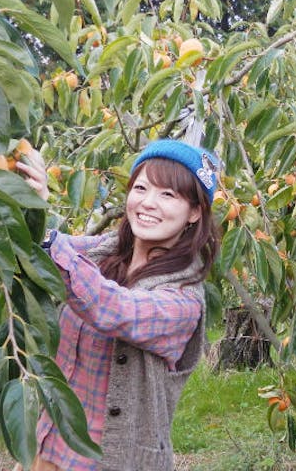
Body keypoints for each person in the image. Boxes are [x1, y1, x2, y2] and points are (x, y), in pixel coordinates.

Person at [17, 139, 221, 471]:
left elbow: (114, 309)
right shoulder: (106, 252)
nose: (148, 203)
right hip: (47, 447)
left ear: (194, 212)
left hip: (106, 460)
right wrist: (23, 196)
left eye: (168, 195)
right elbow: (42, 247)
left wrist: (48, 237)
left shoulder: (183, 301)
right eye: (141, 188)